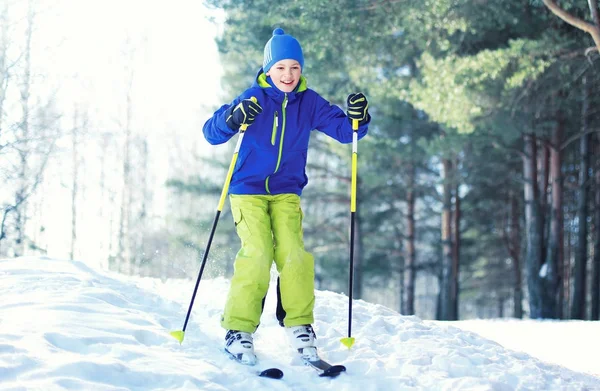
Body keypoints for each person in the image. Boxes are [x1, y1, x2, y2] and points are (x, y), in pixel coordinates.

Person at [202, 28, 370, 365]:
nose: (288, 75)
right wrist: (233, 119)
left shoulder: (309, 102)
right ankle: (238, 330)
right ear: (268, 70)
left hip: (286, 192)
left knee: (294, 254)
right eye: (280, 68)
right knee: (259, 253)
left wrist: (358, 117)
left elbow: (345, 130)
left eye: (294, 67)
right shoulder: (253, 97)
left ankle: (299, 325)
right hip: (247, 191)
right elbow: (212, 132)